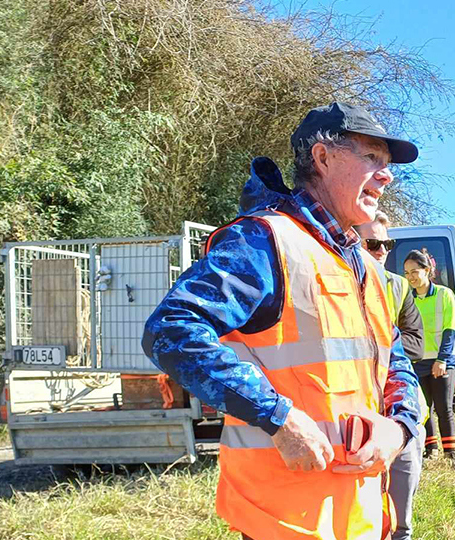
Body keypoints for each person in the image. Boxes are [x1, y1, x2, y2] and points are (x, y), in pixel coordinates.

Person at [143, 102, 422, 540]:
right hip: (284, 520)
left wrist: (400, 427)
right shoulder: (263, 241)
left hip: (362, 515)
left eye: (387, 165)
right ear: (323, 157)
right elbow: (171, 329)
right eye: (372, 158)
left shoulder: (365, 266)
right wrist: (278, 418)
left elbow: (395, 358)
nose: (386, 176)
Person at [353, 212, 427, 540]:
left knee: (401, 505)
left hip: (397, 399)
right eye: (373, 243)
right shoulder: (325, 277)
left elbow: (415, 340)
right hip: (352, 405)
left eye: (388, 244)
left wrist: (379, 343)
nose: (382, 251)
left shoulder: (396, 286)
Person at [403, 249, 455, 472]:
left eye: (415, 271)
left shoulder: (444, 294)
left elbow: (450, 330)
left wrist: (441, 360)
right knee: (423, 408)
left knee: (444, 408)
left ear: (427, 271)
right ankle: (431, 451)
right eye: (407, 273)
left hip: (442, 361)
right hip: (417, 362)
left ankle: (452, 455)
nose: (410, 277)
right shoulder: (407, 298)